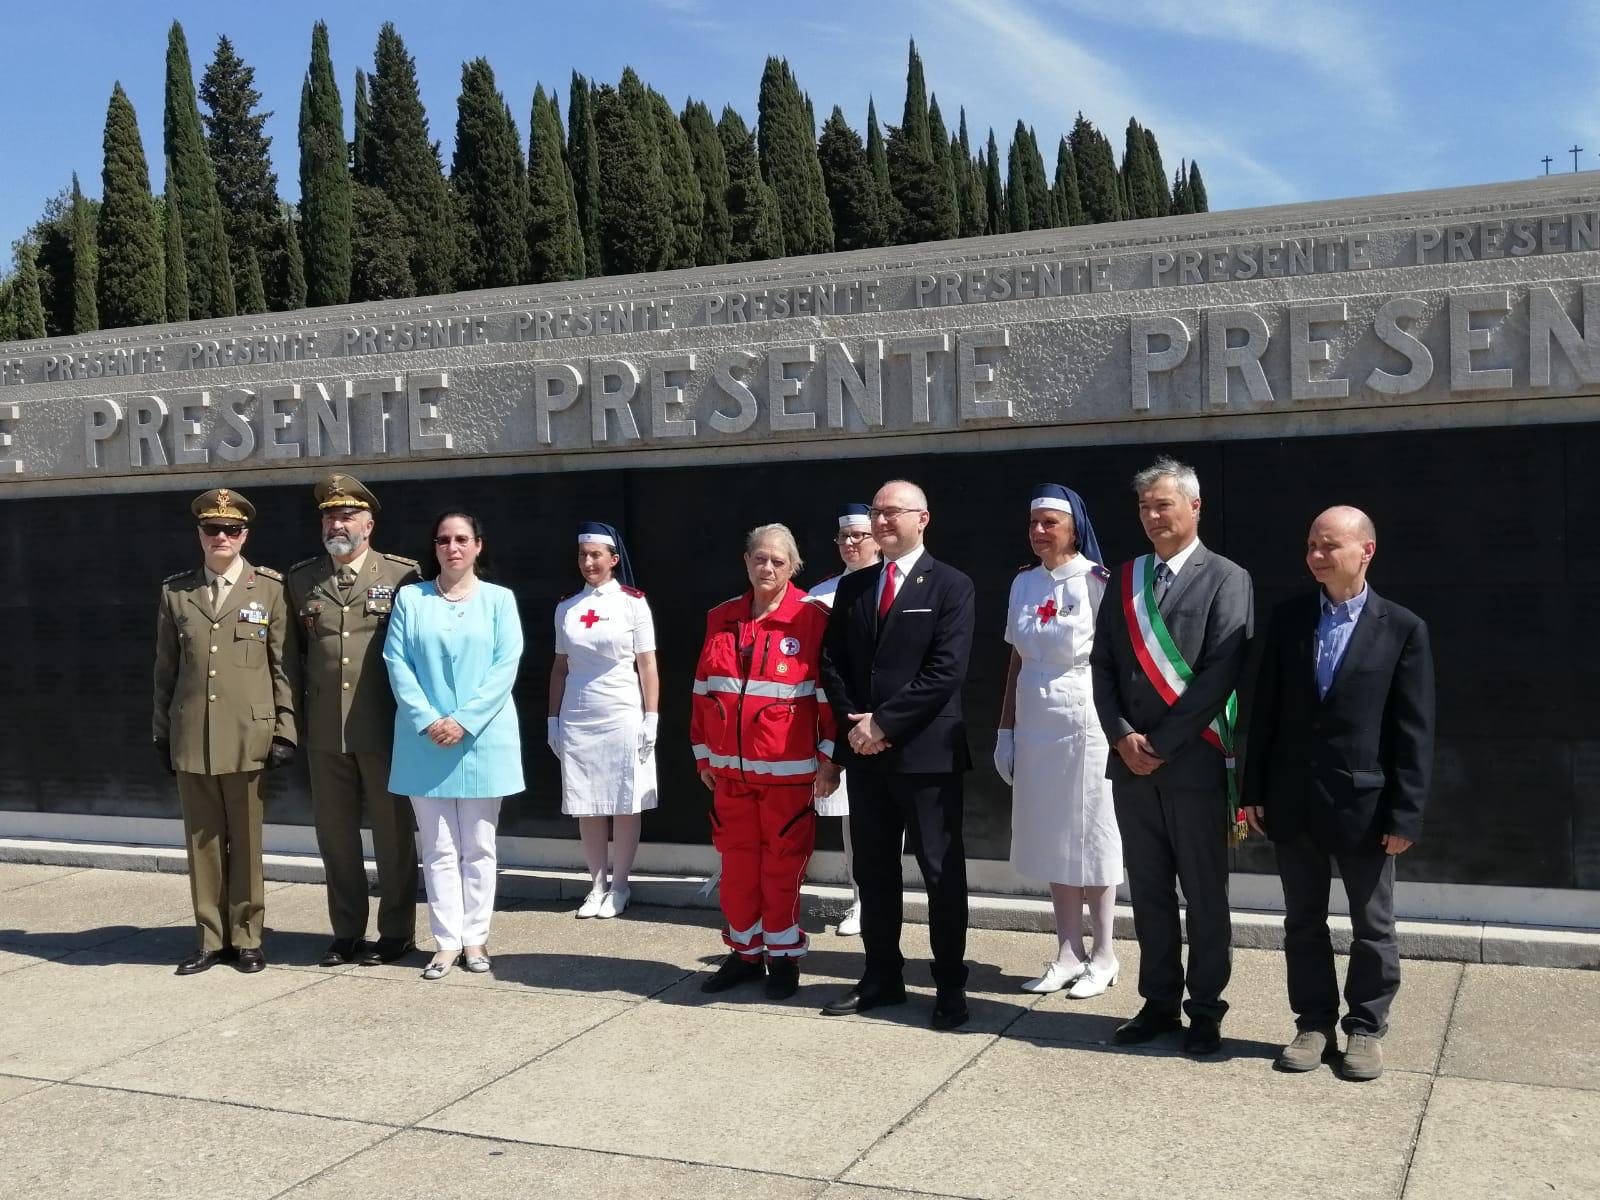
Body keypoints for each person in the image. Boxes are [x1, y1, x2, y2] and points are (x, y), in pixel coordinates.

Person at [1244, 506, 1434, 1082]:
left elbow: (1413, 730)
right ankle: (1314, 1022)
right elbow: (1267, 709)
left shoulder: (1402, 628)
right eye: (1310, 545)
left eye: (1328, 546)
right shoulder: (1290, 619)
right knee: (1302, 921)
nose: (1316, 556)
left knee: (1372, 927)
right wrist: (1253, 791)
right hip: (1292, 800)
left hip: (1366, 807)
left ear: (1365, 552)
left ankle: (1367, 1028)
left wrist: (1406, 813)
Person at [1090, 456, 1252, 1055]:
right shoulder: (1126, 577)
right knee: (1150, 890)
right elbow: (1101, 663)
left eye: (1163, 504)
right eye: (1144, 507)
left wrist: (1160, 743)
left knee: (1205, 896)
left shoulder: (1227, 578)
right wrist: (1122, 736)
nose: (1153, 516)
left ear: (1194, 507)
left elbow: (1220, 674)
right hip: (1131, 766)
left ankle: (1206, 1010)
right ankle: (1158, 1002)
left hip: (1194, 765)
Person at [819, 480, 977, 1030]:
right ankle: (881, 975)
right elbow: (832, 662)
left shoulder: (952, 586)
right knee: (874, 868)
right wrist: (856, 727)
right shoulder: (856, 586)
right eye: (875, 513)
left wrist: (883, 723)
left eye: (892, 513)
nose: (881, 522)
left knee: (939, 871)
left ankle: (950, 984)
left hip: (927, 753)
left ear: (922, 519)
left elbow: (945, 672)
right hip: (867, 754)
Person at [152, 488, 297, 975]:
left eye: (230, 530)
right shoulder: (177, 592)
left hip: (249, 737)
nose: (221, 537)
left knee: (248, 842)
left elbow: (283, 668)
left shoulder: (270, 589)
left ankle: (248, 936)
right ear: (200, 534)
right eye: (212, 529)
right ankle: (210, 938)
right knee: (203, 843)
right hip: (192, 736)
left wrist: (285, 730)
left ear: (244, 536)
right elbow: (165, 670)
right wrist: (161, 734)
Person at [691, 524, 838, 1000]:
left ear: (793, 566)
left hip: (788, 777)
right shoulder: (722, 618)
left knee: (780, 872)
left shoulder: (812, 619)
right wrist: (702, 755)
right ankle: (744, 956)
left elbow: (828, 697)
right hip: (730, 776)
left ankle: (783, 960)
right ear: (746, 562)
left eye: (777, 560)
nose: (767, 567)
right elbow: (702, 691)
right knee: (737, 873)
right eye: (760, 558)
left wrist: (828, 759)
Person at [286, 474, 421, 968]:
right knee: (336, 836)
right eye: (329, 516)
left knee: (392, 834)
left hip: (384, 728)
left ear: (369, 523)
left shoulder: (403, 576)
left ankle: (397, 932)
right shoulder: (300, 580)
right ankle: (346, 931)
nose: (336, 524)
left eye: (346, 516)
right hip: (325, 730)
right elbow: (290, 659)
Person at [995, 484, 1123, 999]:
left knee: (1091, 833)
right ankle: (1068, 950)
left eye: (1051, 522)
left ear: (1074, 528)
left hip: (1085, 715)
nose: (1040, 532)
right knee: (1049, 833)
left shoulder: (1096, 581)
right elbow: (1016, 659)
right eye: (1034, 523)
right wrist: (1006, 728)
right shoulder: (1023, 584)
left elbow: (1115, 659)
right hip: (1036, 714)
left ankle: (1105, 953)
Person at [383, 511, 525, 980]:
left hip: (483, 738)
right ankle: (445, 942)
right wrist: (430, 720)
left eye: (462, 539)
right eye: (443, 540)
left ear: (478, 546)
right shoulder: (411, 598)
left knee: (480, 845)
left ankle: (476, 938)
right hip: (426, 741)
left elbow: (506, 664)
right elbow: (397, 662)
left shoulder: (499, 601)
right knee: (439, 847)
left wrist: (464, 721)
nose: (452, 547)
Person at [548, 521, 660, 920]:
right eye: (583, 555)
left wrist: (652, 716)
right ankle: (595, 885)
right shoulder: (566, 607)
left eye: (596, 555)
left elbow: (646, 664)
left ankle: (621, 885)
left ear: (613, 559)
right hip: (579, 713)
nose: (589, 562)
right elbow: (560, 668)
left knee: (625, 800)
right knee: (587, 801)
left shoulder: (633, 603)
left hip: (622, 710)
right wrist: (552, 719)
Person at [802, 502, 880, 937]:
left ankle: (874, 898)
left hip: (875, 719)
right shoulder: (821, 594)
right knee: (849, 813)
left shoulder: (891, 584)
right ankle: (857, 897)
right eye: (844, 537)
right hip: (830, 716)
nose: (851, 544)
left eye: (859, 535)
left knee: (874, 817)